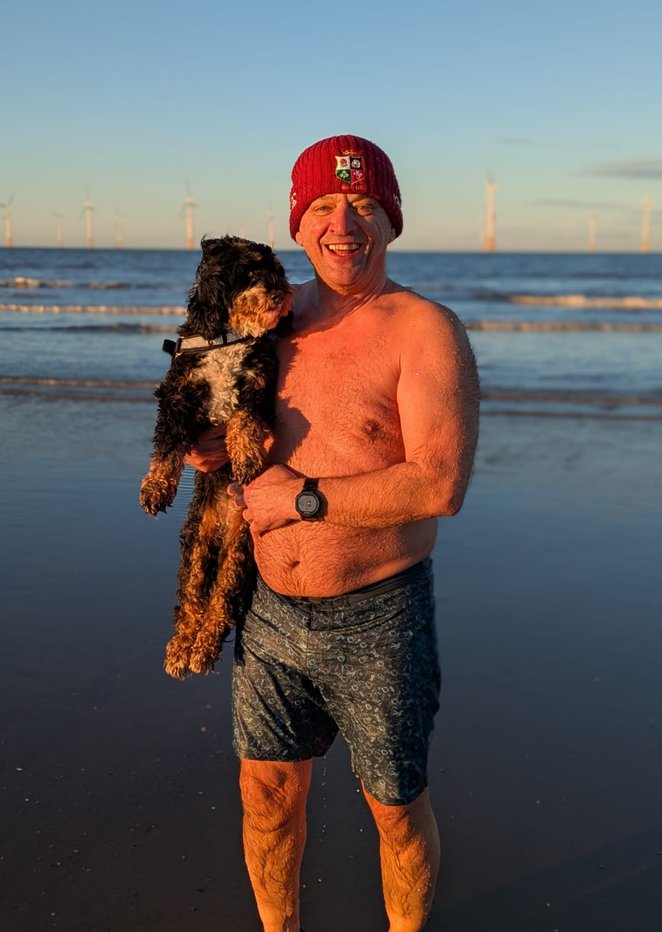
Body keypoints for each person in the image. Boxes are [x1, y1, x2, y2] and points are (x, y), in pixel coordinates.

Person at [185, 134, 480, 932]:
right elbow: (238, 426)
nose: (341, 224)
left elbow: (440, 483)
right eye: (322, 206)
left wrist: (303, 502)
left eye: (362, 206)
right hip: (270, 611)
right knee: (266, 794)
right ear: (297, 222)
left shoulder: (424, 330)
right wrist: (213, 448)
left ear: (390, 221)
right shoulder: (271, 323)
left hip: (380, 615)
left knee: (393, 807)